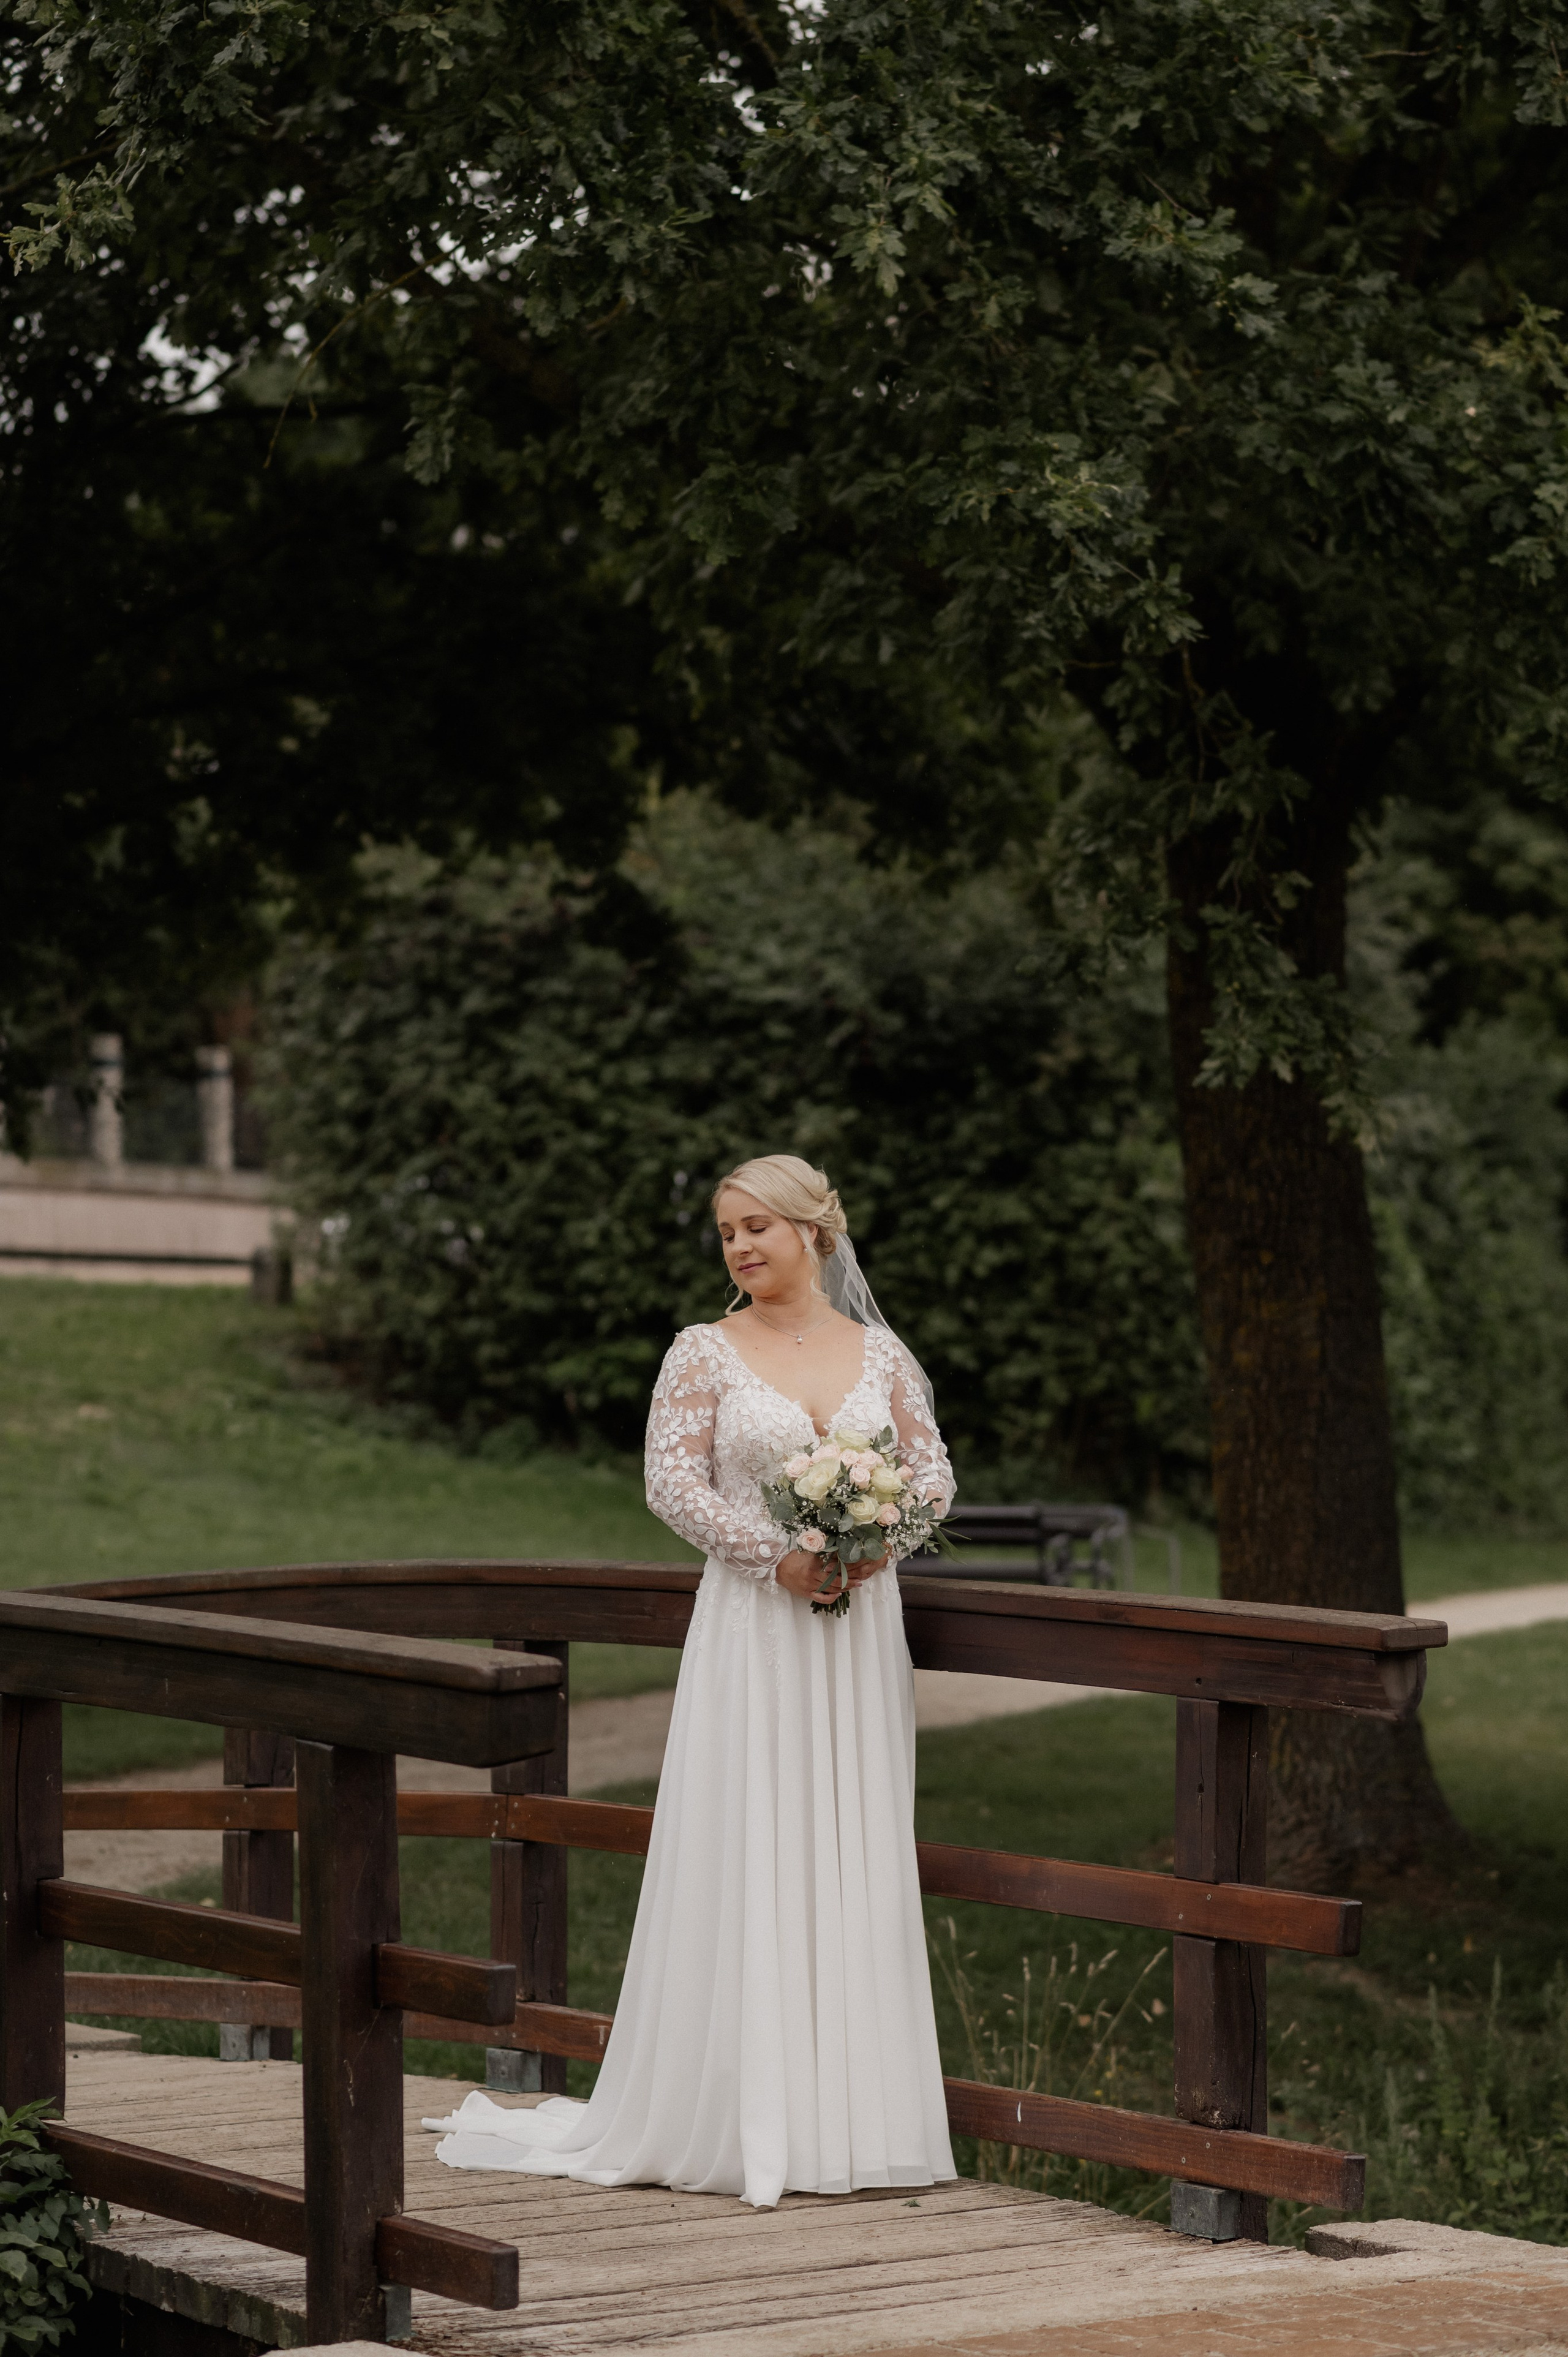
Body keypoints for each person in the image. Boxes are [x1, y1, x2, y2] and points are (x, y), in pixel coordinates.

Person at [425, 1154, 957, 2208]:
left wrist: (880, 1536)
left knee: (849, 1840)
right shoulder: (703, 1353)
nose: (742, 1247)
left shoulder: (880, 1353)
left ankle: (854, 2119)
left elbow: (932, 1470)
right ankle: (740, 2113)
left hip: (856, 1635)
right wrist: (779, 1554)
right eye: (727, 1232)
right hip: (756, 1626)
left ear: (817, 1232)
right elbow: (669, 1481)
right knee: (754, 1836)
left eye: (760, 1226)